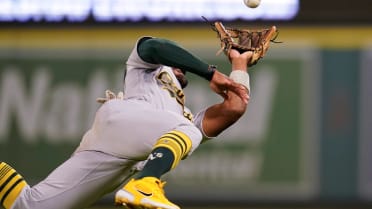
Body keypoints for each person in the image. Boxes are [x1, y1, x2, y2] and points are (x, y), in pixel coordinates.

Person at [0, 36, 253, 209]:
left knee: (29, 205)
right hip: (122, 120)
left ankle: (141, 183)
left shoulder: (183, 115)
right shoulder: (146, 71)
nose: (182, 70)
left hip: (116, 156)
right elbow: (153, 46)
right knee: (186, 132)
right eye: (179, 65)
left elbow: (234, 107)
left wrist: (239, 63)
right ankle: (144, 187)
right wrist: (210, 72)